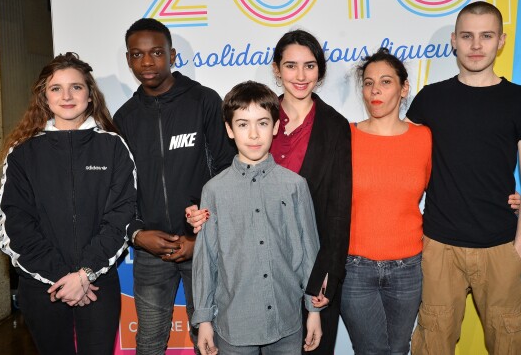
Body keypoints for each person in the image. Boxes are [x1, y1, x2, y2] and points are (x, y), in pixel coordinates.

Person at [187, 29, 352, 354]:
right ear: (277, 69)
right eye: (291, 65)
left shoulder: (333, 127)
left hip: (301, 281)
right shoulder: (256, 107)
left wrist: (322, 284)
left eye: (309, 65)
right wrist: (197, 211)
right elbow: (217, 179)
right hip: (238, 299)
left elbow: (337, 212)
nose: (300, 75)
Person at [408, 1, 521, 355]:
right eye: (467, 36)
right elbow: (404, 164)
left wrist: (519, 253)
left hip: (500, 247)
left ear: (501, 40)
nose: (476, 45)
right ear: (454, 40)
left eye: (486, 36)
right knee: (431, 344)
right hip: (439, 247)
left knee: (510, 346)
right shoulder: (429, 99)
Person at [0, 52, 137, 355]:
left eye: (76, 87)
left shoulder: (113, 146)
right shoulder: (22, 154)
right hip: (42, 286)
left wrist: (85, 274)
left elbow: (122, 215)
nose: (67, 96)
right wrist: (63, 278)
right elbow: (13, 224)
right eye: (56, 88)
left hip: (96, 284)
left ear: (90, 96)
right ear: (44, 98)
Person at [113, 18, 235, 355]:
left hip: (202, 248)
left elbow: (226, 171)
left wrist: (200, 238)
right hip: (150, 251)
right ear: (128, 59)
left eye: (156, 53)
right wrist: (138, 233)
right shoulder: (124, 118)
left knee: (210, 341)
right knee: (149, 342)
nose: (147, 62)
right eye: (138, 55)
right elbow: (119, 189)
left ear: (173, 55)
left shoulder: (204, 102)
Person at [192, 81, 322, 355]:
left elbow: (310, 253)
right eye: (242, 124)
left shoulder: (295, 185)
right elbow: (206, 259)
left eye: (262, 123)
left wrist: (313, 311)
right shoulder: (214, 190)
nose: (253, 134)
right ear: (229, 130)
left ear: (275, 127)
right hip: (234, 325)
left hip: (287, 323)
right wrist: (204, 319)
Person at [340, 48, 431, 355]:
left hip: (409, 267)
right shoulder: (345, 136)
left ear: (404, 88)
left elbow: (450, 191)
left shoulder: (424, 138)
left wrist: (506, 198)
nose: (375, 89)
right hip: (354, 268)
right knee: (371, 351)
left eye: (386, 81)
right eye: (368, 82)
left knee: (399, 349)